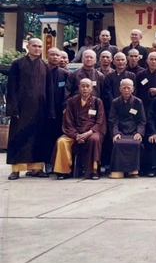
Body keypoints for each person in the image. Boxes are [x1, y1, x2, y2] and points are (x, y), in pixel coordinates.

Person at [6, 38, 55, 180]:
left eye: (40, 46)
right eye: (34, 46)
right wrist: (13, 109)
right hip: (21, 110)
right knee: (18, 138)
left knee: (38, 138)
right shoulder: (17, 64)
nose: (37, 49)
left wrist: (50, 110)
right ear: (28, 47)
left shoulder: (44, 66)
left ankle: (36, 169)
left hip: (40, 109)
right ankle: (16, 170)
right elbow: (11, 88)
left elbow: (49, 90)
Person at [53, 78, 106, 180]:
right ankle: (63, 171)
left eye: (87, 86)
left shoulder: (97, 101)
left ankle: (94, 170)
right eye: (83, 86)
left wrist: (88, 133)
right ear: (78, 87)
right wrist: (76, 135)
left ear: (91, 88)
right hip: (74, 132)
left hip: (91, 131)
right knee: (62, 141)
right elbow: (68, 121)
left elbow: (100, 121)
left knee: (94, 139)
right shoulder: (71, 101)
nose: (85, 89)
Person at [102, 52, 136, 166]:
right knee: (111, 134)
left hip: (129, 109)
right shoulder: (109, 76)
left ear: (126, 61)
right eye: (118, 60)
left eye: (122, 60)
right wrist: (116, 104)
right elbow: (107, 92)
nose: (120, 62)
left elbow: (134, 92)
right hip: (113, 109)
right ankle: (110, 163)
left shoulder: (131, 75)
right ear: (113, 61)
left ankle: (129, 163)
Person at [108, 79, 146, 179]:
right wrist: (116, 133)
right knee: (118, 143)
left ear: (132, 89)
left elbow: (142, 120)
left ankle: (133, 171)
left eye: (128, 88)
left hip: (133, 131)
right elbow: (113, 120)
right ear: (120, 89)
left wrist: (139, 133)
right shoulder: (115, 102)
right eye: (124, 88)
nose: (126, 90)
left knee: (136, 143)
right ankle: (118, 170)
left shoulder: (138, 102)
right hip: (120, 131)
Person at [45, 48, 69, 173]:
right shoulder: (42, 71)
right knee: (44, 136)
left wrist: (65, 107)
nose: (55, 57)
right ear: (47, 55)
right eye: (52, 55)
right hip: (42, 109)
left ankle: (54, 163)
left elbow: (68, 92)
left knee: (57, 135)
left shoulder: (65, 74)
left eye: (57, 55)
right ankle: (43, 163)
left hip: (59, 110)